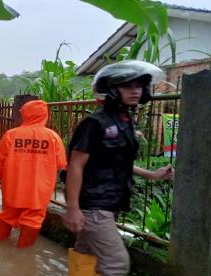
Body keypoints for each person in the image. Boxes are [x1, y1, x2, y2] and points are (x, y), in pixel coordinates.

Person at [62, 60, 174, 275]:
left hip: (108, 203)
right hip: (94, 205)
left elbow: (117, 161)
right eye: (128, 86)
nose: (135, 91)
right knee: (116, 264)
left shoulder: (125, 121)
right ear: (112, 90)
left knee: (85, 253)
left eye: (139, 86)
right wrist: (73, 208)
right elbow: (75, 166)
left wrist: (152, 174)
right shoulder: (94, 123)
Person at [0, 100, 67, 247]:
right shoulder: (53, 137)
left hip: (14, 187)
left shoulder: (11, 135)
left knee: (7, 215)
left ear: (25, 114)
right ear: (45, 115)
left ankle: (1, 247)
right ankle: (23, 253)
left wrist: (5, 178)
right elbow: (61, 164)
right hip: (39, 190)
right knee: (33, 220)